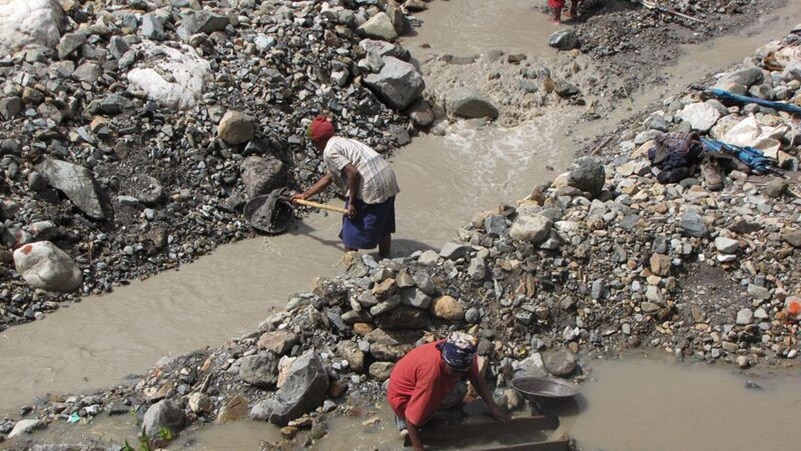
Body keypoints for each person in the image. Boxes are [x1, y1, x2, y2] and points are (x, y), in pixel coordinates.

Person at [292, 116, 400, 258]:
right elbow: (330, 177)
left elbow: (353, 173)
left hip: (371, 184)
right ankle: (386, 259)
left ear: (316, 142)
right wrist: (305, 195)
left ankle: (350, 267)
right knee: (383, 224)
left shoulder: (330, 151)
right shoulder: (342, 142)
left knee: (351, 231)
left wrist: (353, 203)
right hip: (387, 177)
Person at [387, 332, 510, 451]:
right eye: (454, 371)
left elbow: (476, 378)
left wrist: (493, 407)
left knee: (459, 387)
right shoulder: (432, 376)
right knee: (458, 390)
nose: (458, 375)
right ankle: (405, 422)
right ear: (445, 361)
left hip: (407, 384)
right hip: (402, 398)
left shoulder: (463, 350)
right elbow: (411, 417)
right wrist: (419, 447)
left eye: (461, 371)